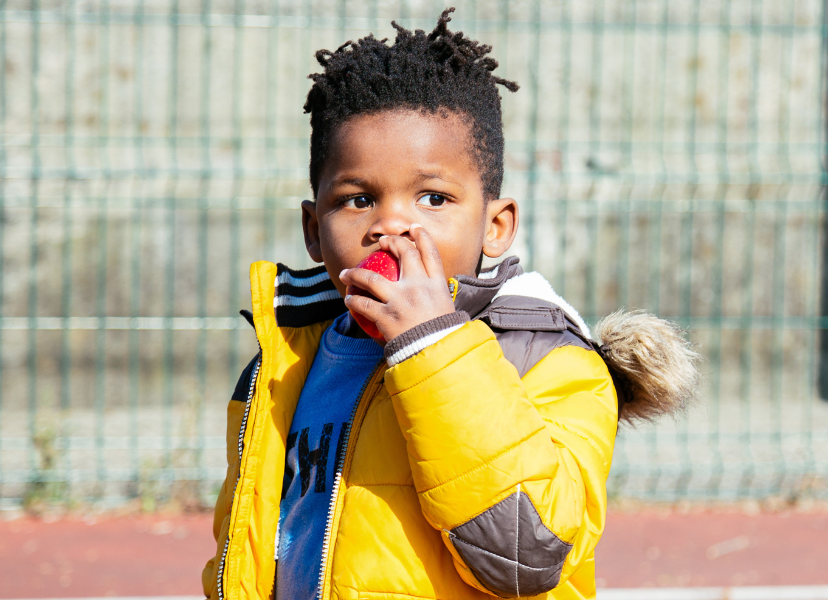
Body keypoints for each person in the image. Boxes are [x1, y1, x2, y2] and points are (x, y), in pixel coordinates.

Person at [202, 9, 700, 600]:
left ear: (495, 226)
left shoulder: (551, 363)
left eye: (433, 198)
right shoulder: (284, 364)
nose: (392, 225)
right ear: (314, 228)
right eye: (358, 200)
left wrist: (430, 344)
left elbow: (526, 555)